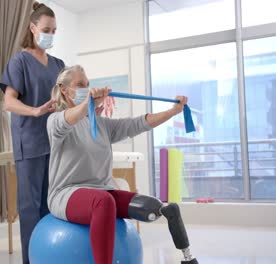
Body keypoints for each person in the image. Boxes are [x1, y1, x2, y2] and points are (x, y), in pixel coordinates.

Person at [47, 65, 198, 264]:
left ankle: (187, 256)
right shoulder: (55, 120)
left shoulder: (101, 125)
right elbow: (68, 119)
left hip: (101, 192)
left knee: (156, 207)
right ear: (64, 89)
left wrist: (173, 111)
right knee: (104, 202)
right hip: (65, 195)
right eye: (80, 85)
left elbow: (138, 124)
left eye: (88, 85)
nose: (86, 88)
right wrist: (89, 102)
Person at [0, 2, 65, 263]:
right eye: (47, 29)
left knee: (50, 206)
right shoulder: (20, 61)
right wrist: (37, 111)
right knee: (30, 210)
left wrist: (93, 97)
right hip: (30, 142)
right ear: (33, 28)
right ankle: (31, 260)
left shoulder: (58, 64)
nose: (50, 34)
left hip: (55, 143)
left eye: (55, 30)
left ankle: (48, 256)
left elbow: (70, 96)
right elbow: (9, 102)